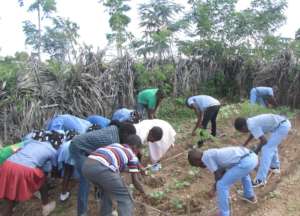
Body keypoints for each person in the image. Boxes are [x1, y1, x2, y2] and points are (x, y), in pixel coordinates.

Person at [69, 122, 136, 216]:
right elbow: (108, 164)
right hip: (78, 148)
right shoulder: (112, 141)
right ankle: (82, 213)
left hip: (89, 151)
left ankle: (106, 212)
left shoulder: (115, 129)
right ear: (126, 134)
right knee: (85, 181)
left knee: (105, 183)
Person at [0, 131, 63, 216]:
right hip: (23, 169)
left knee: (8, 195)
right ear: (57, 144)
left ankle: (7, 211)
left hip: (6, 165)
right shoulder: (52, 151)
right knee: (42, 180)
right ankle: (46, 206)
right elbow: (55, 168)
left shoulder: (33, 142)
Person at [82, 134, 145, 216]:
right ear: (134, 147)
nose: (137, 152)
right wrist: (143, 192)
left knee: (106, 191)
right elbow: (135, 181)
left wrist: (135, 169)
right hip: (102, 167)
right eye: (138, 150)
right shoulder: (131, 154)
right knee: (125, 197)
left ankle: (106, 214)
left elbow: (117, 166)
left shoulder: (115, 145)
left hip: (87, 165)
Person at [188, 147, 258, 216]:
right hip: (252, 157)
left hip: (245, 162)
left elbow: (218, 177)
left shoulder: (205, 158)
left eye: (197, 165)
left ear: (196, 160)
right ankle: (250, 196)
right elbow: (222, 172)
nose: (200, 167)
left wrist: (213, 189)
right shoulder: (210, 153)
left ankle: (224, 213)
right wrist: (214, 188)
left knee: (221, 185)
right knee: (243, 174)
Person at [234, 114, 291, 187]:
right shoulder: (250, 121)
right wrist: (244, 145)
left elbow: (264, 141)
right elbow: (253, 133)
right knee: (271, 145)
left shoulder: (252, 125)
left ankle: (260, 180)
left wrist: (255, 153)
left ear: (243, 127)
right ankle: (275, 167)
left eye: (242, 131)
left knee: (266, 149)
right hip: (281, 124)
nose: (244, 132)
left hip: (282, 127)